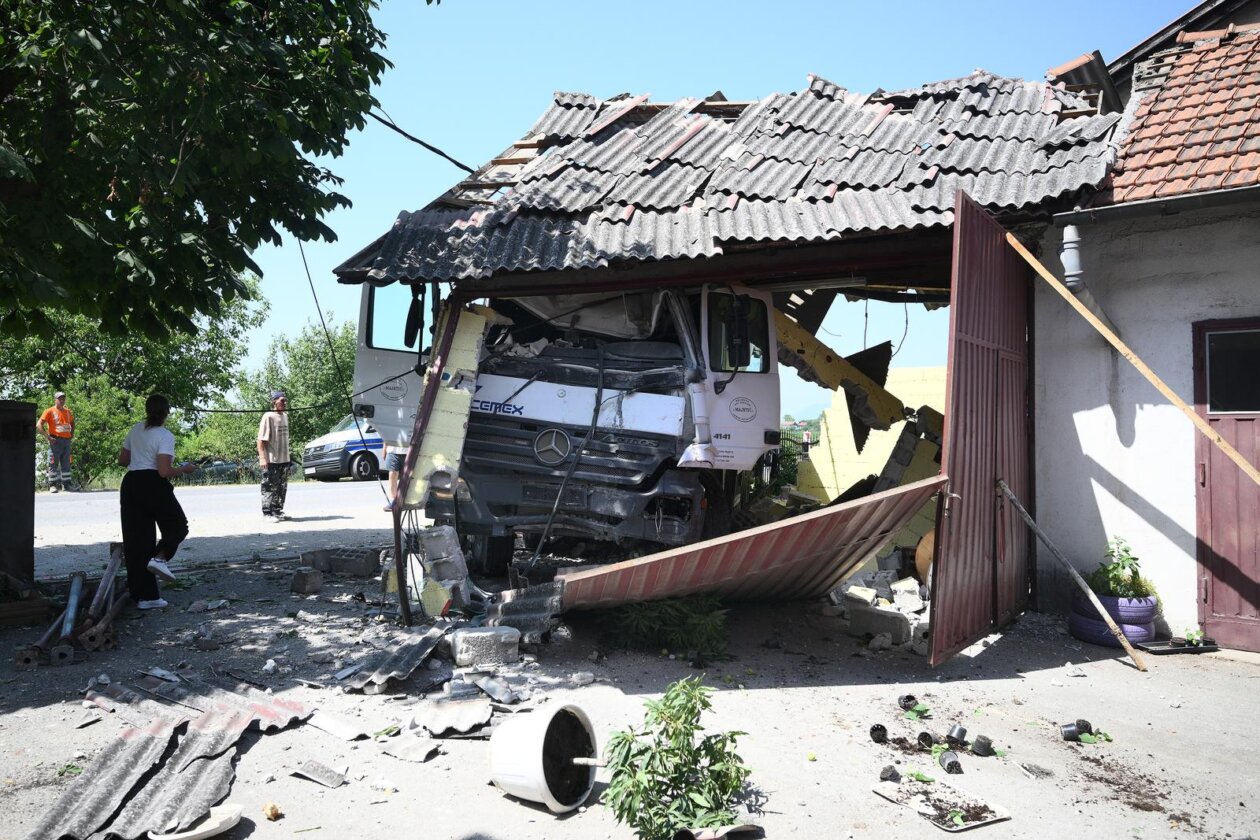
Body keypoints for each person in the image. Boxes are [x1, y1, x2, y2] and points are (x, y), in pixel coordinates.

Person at [117, 393, 195, 610]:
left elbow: (122, 460)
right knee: (178, 527)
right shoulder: (165, 435)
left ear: (147, 410)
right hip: (152, 483)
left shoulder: (135, 429)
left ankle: (144, 597)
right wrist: (184, 469)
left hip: (131, 484)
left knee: (137, 541)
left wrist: (140, 455)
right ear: (167, 412)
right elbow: (163, 471)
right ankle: (160, 558)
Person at [257, 390, 291, 522]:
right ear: (274, 402)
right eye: (282, 400)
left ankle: (277, 511)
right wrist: (262, 457)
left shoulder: (285, 416)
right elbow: (260, 440)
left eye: (285, 400)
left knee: (282, 487)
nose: (284, 403)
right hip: (272, 459)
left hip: (284, 459)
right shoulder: (268, 416)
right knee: (269, 486)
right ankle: (267, 513)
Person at [38, 391, 75, 492]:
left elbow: (72, 422)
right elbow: (39, 425)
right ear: (55, 400)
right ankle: (52, 485)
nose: (62, 400)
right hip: (55, 441)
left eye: (63, 398)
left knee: (66, 463)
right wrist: (48, 437)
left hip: (66, 441)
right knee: (53, 463)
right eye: (60, 399)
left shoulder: (67, 411)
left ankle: (67, 485)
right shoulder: (49, 411)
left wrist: (72, 434)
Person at [383, 443, 411, 512]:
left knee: (406, 477)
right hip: (392, 451)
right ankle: (394, 501)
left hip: (409, 451)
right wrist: (384, 449)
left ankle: (404, 500)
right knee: (392, 474)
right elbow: (386, 435)